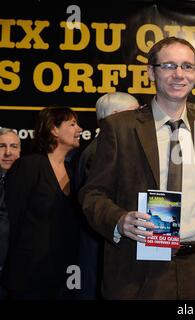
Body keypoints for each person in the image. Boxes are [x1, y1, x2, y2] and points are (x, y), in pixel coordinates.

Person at [79, 37, 195, 299]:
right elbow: (92, 195)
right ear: (150, 72)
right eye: (168, 66)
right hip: (137, 270)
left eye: (187, 66)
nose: (179, 74)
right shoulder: (120, 127)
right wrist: (119, 220)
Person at [1, 108, 83, 299]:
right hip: (28, 277)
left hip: (63, 276)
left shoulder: (72, 171)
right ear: (54, 129)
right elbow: (12, 218)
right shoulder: (29, 166)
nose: (79, 128)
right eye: (72, 124)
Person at [76, 92, 140, 300]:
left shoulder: (101, 148)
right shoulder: (98, 152)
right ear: (115, 116)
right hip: (104, 248)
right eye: (135, 114)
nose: (141, 120)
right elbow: (96, 201)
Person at [0, 128, 21, 299]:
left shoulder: (32, 185)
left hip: (19, 271)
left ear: (20, 151)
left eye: (13, 146)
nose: (8, 152)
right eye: (1, 146)